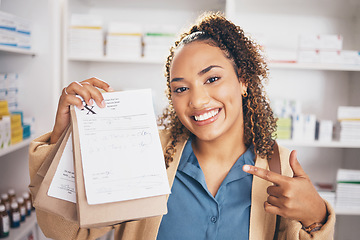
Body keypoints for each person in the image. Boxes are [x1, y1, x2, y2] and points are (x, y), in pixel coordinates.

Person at [28, 12, 335, 239]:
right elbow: (63, 230)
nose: (198, 101)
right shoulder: (146, 154)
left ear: (242, 79)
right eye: (181, 88)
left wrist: (316, 216)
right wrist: (63, 139)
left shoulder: (279, 169)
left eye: (212, 79)